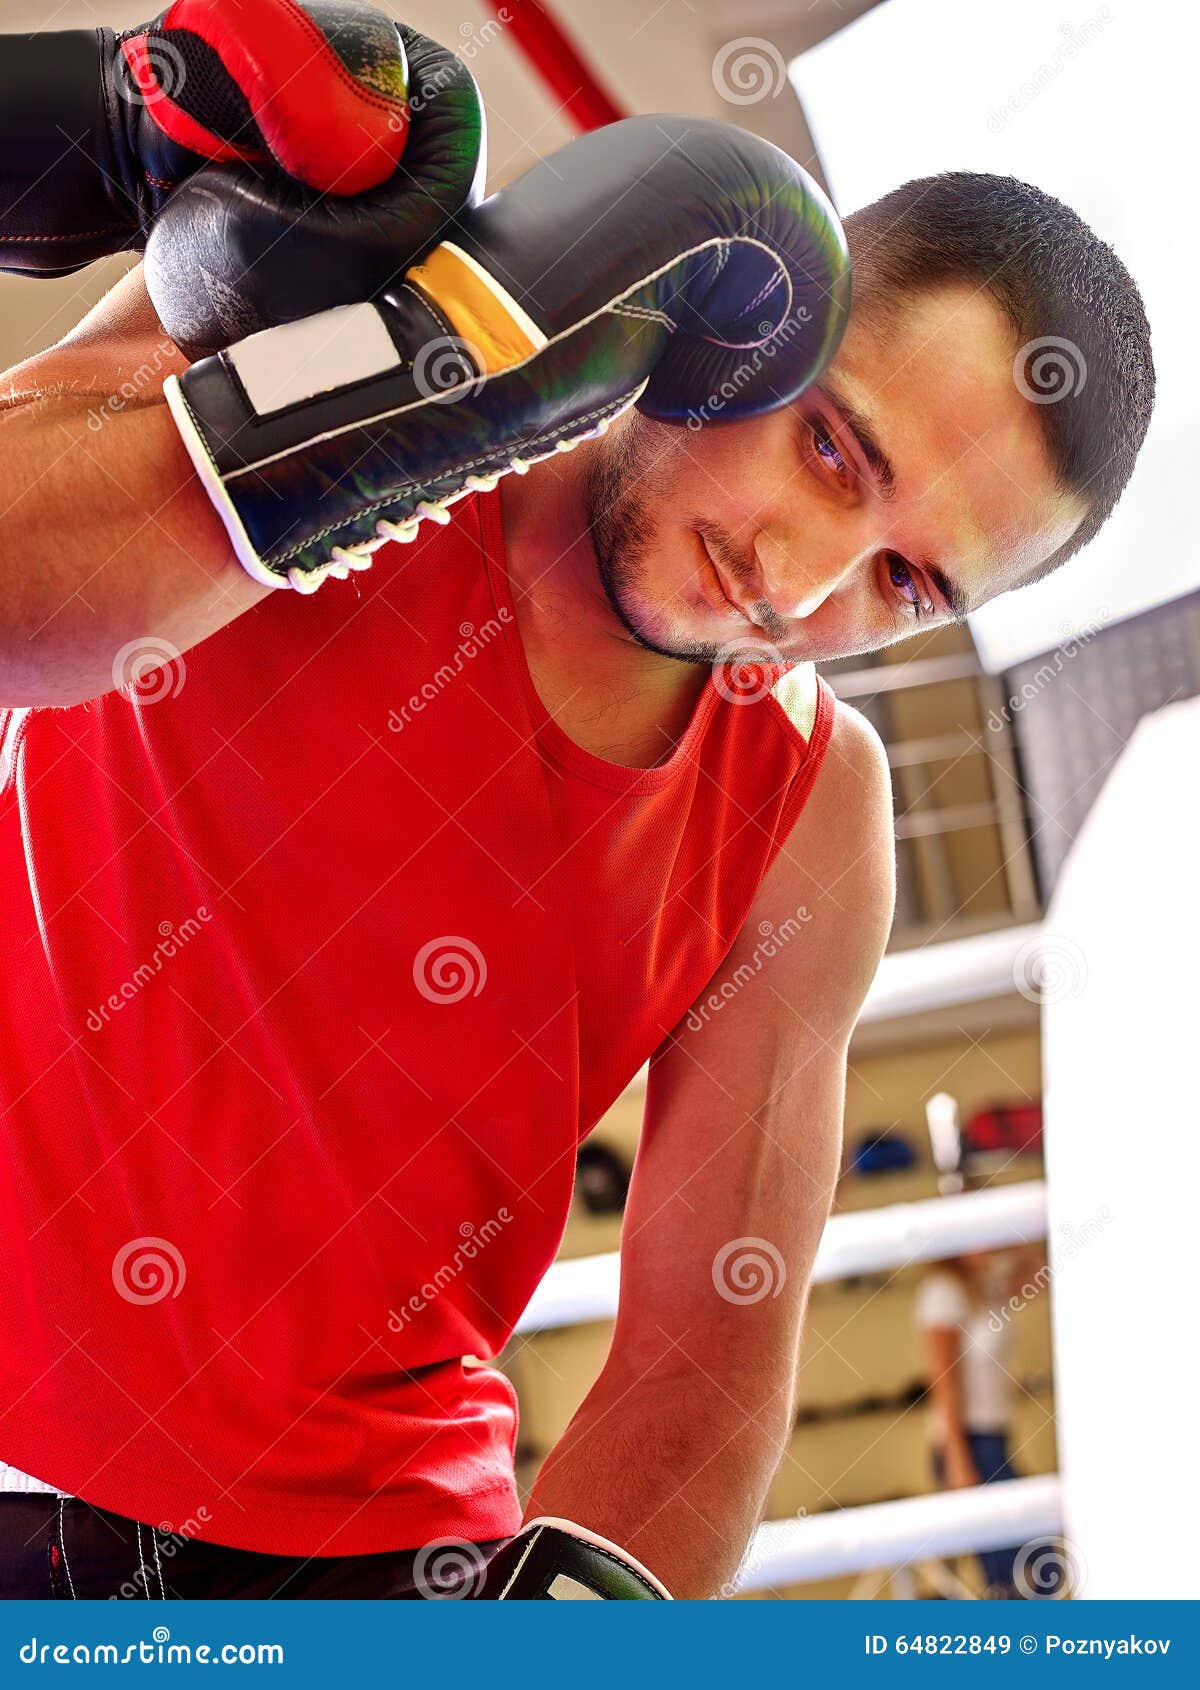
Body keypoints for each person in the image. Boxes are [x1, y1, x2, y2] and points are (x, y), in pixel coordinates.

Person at [0, 4, 1153, 1599]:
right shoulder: (348, 304)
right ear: (755, 310)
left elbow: (708, 1349)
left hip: (355, 1557)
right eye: (832, 450)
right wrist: (405, 404)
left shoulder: (811, 806)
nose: (797, 585)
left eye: (905, 581)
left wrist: (582, 1629)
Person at [915, 1251, 1049, 1598]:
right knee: (1017, 1568)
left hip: (995, 1440)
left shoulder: (985, 1286)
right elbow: (944, 1382)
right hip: (969, 1444)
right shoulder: (942, 1292)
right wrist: (957, 1457)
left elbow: (1042, 1268)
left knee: (1037, 1562)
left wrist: (1006, 1242)